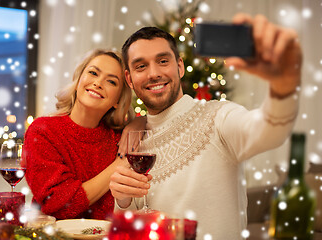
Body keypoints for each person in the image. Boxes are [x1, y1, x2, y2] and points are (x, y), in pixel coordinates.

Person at [109, 13, 301, 239]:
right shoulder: (133, 142)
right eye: (141, 66)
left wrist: (283, 86)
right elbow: (132, 228)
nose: (154, 73)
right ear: (129, 80)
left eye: (163, 61)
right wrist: (122, 201)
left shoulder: (218, 116)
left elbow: (269, 132)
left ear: (180, 67)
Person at [23, 49, 142, 220]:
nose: (98, 83)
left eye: (111, 81)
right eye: (93, 73)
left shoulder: (121, 139)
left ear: (118, 100)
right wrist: (119, 165)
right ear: (79, 79)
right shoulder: (42, 131)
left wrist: (140, 121)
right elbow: (58, 205)